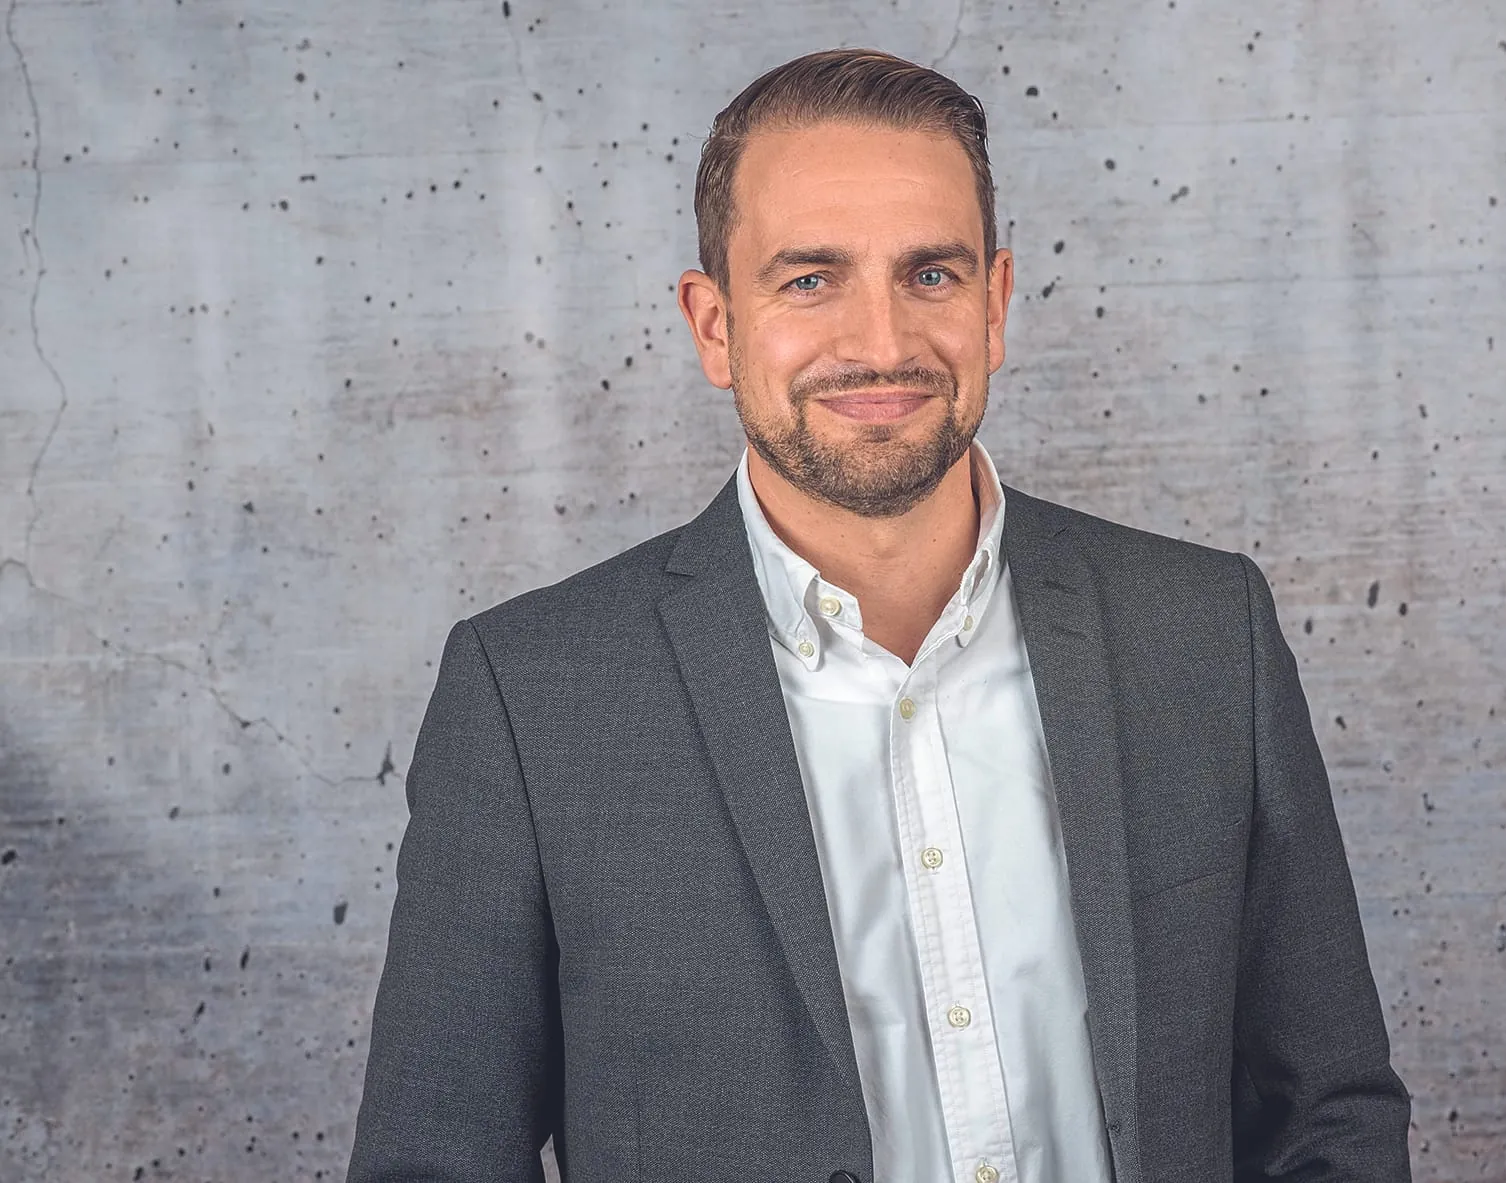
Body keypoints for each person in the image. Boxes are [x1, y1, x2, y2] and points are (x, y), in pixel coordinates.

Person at [347, 47, 1412, 1183]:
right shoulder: (531, 698)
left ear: (994, 304)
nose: (882, 344)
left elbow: (1327, 1114)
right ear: (714, 325)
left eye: (930, 274)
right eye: (810, 279)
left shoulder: (1201, 635)